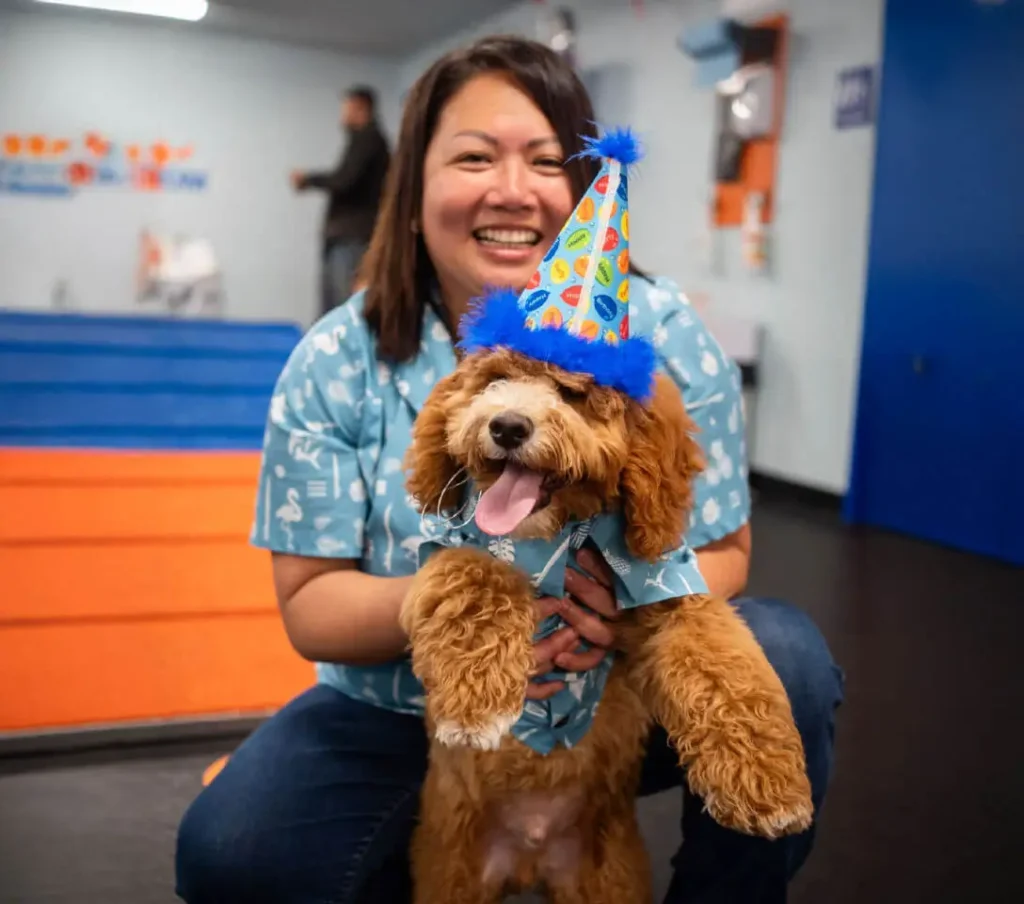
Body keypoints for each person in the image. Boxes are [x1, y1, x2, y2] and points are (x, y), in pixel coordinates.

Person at [177, 36, 844, 904]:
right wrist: (466, 597)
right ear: (413, 187)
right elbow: (310, 608)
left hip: (610, 701)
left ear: (577, 190)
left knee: (783, 657)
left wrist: (612, 611)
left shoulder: (663, 333)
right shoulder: (337, 356)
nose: (511, 189)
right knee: (233, 854)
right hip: (398, 708)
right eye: (474, 156)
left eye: (543, 159)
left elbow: (724, 549)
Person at [292, 85, 390, 317]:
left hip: (352, 237)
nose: (343, 115)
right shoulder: (363, 141)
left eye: (347, 108)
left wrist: (308, 179)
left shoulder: (368, 140)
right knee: (333, 308)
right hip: (347, 236)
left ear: (361, 108)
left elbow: (345, 179)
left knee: (342, 310)